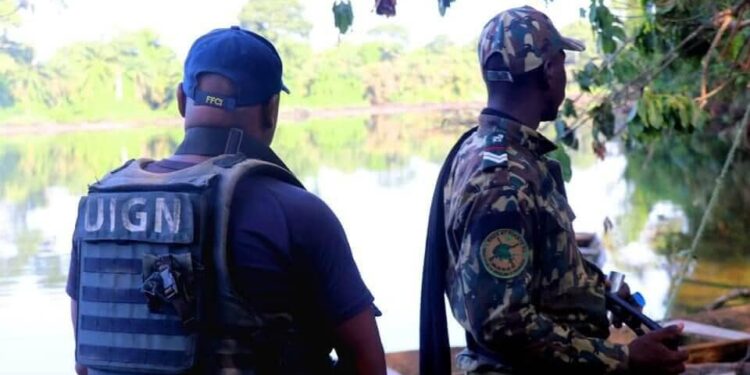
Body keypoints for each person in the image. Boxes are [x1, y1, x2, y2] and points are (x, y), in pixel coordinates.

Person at [66, 26, 386, 375]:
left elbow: (85, 363)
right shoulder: (296, 212)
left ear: (181, 100)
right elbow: (367, 363)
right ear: (272, 109)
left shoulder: (99, 207)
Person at [420, 6, 689, 375]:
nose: (565, 76)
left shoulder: (489, 151)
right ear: (549, 72)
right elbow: (504, 323)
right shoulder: (503, 178)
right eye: (563, 64)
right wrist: (625, 358)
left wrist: (602, 292)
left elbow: (541, 266)